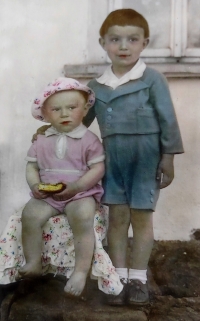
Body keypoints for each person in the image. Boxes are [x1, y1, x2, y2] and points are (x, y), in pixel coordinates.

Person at [34, 9, 184, 306]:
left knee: (141, 218)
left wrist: (168, 157)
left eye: (132, 39)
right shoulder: (95, 87)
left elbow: (168, 121)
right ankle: (117, 280)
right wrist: (47, 130)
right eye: (115, 39)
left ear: (145, 43)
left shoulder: (152, 80)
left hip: (146, 159)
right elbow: (78, 121)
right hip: (112, 160)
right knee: (116, 218)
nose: (124, 46)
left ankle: (138, 279)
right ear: (103, 42)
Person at [18, 77, 106, 299]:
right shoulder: (41, 140)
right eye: (56, 109)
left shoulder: (88, 139)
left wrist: (77, 187)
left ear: (85, 109)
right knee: (30, 215)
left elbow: (97, 169)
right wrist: (35, 185)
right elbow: (32, 167)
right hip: (48, 193)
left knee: (82, 216)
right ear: (45, 115)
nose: (65, 114)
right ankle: (34, 261)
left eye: (71, 108)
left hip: (80, 192)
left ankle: (80, 271)